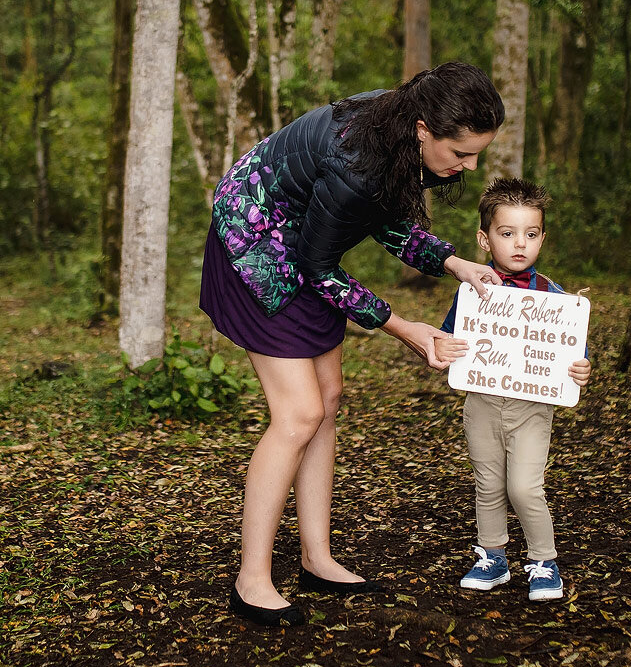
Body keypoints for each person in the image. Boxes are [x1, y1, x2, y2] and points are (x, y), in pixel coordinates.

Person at [200, 61, 507, 627]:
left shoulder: (393, 128)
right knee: (298, 414)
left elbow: (386, 219)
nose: (469, 166)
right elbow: (319, 266)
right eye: (461, 153)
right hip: (254, 243)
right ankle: (251, 580)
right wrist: (403, 327)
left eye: (476, 153)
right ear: (424, 130)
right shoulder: (358, 162)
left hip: (301, 243)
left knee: (329, 398)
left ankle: (317, 558)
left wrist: (456, 263)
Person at [441, 178, 591, 601]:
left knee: (524, 486)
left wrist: (580, 369)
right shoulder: (471, 293)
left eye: (531, 234)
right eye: (507, 233)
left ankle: (544, 561)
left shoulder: (557, 299)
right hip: (483, 402)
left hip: (531, 407)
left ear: (543, 237)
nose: (519, 244)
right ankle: (492, 557)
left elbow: (573, 352)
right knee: (488, 483)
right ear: (484, 239)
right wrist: (445, 345)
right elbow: (448, 336)